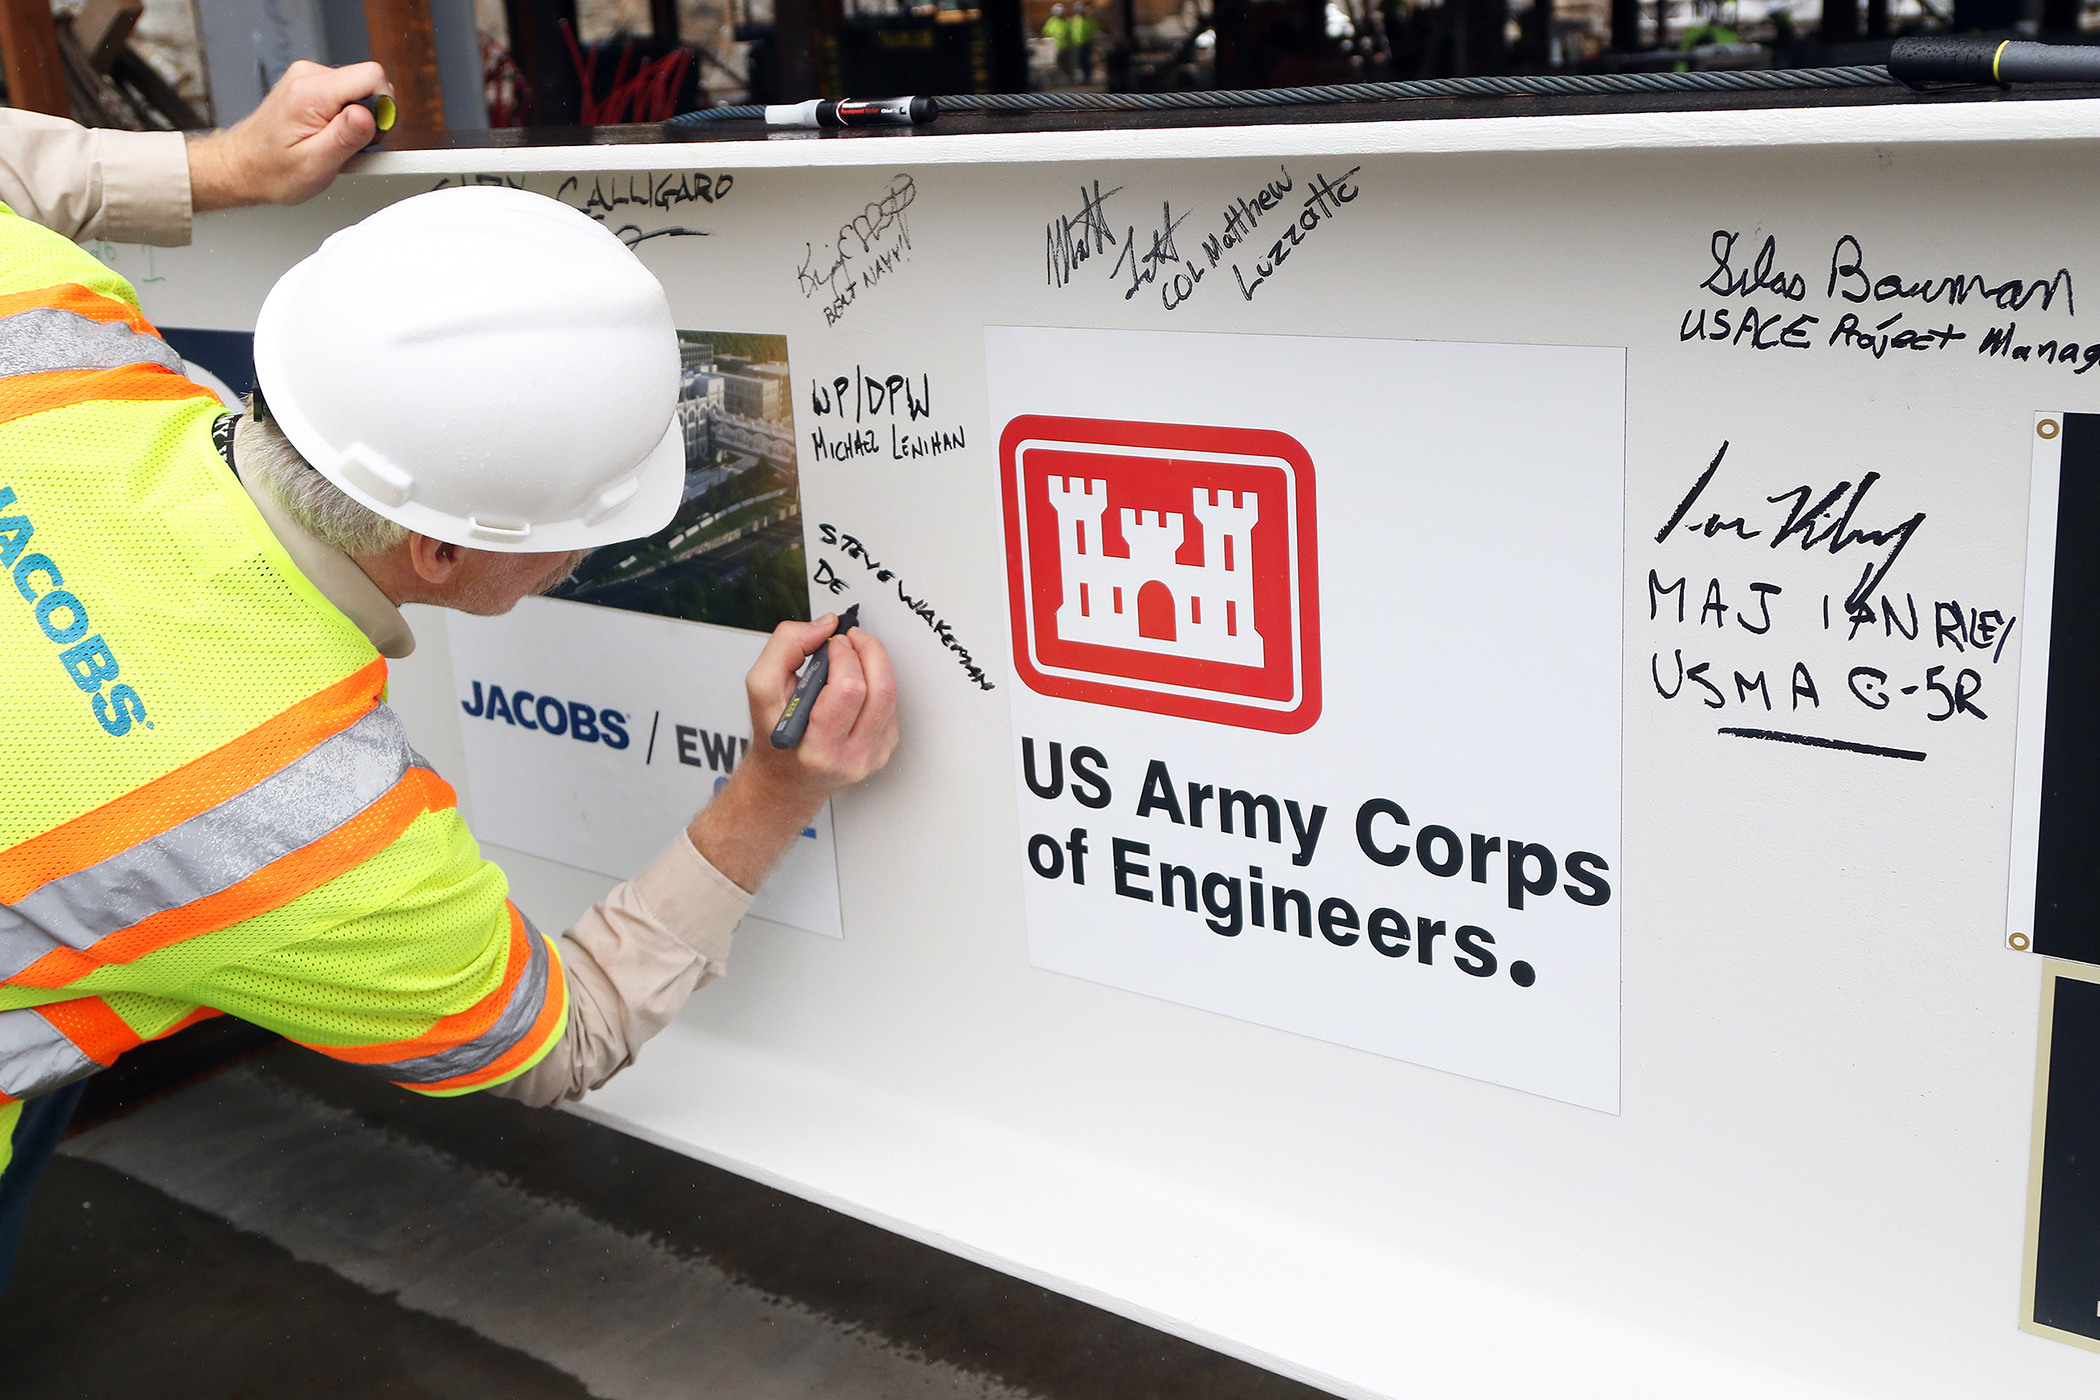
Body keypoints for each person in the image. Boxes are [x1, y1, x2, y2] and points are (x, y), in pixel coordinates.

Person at [0, 72, 899, 1297]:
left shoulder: (41, 315)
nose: (594, 544)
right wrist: (776, 789)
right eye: (589, 520)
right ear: (440, 552)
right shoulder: (293, 821)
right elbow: (555, 1032)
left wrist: (223, 170)